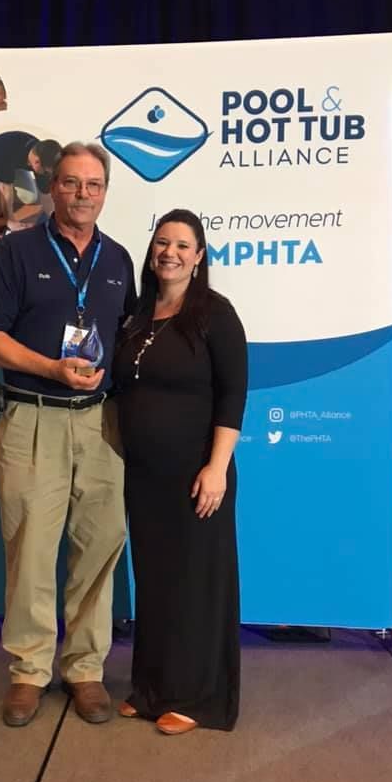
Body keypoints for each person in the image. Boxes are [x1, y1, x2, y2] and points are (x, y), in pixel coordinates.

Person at [0, 142, 136, 728]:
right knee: (31, 550)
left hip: (101, 422)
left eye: (93, 185)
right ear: (52, 187)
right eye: (70, 183)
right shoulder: (19, 251)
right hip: (32, 415)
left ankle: (86, 669)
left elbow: (130, 339)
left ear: (105, 192)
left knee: (99, 546)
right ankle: (29, 671)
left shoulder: (118, 259)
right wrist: (49, 367)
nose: (81, 195)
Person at [112, 209, 247, 735]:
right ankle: (150, 690)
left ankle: (197, 698)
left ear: (199, 256)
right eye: (162, 243)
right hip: (145, 477)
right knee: (156, 582)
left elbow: (233, 395)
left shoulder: (215, 313)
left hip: (196, 474)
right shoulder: (138, 315)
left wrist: (216, 468)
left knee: (195, 585)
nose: (170, 253)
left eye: (182, 245)